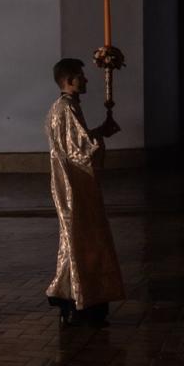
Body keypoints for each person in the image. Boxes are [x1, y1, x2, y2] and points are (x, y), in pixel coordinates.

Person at [45, 58, 124, 327]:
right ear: (68, 80)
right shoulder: (66, 109)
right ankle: (82, 301)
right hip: (75, 186)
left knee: (74, 241)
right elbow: (81, 152)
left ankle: (69, 295)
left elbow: (75, 143)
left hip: (72, 183)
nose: (86, 80)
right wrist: (100, 138)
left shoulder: (63, 107)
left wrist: (98, 131)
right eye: (80, 76)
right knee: (83, 241)